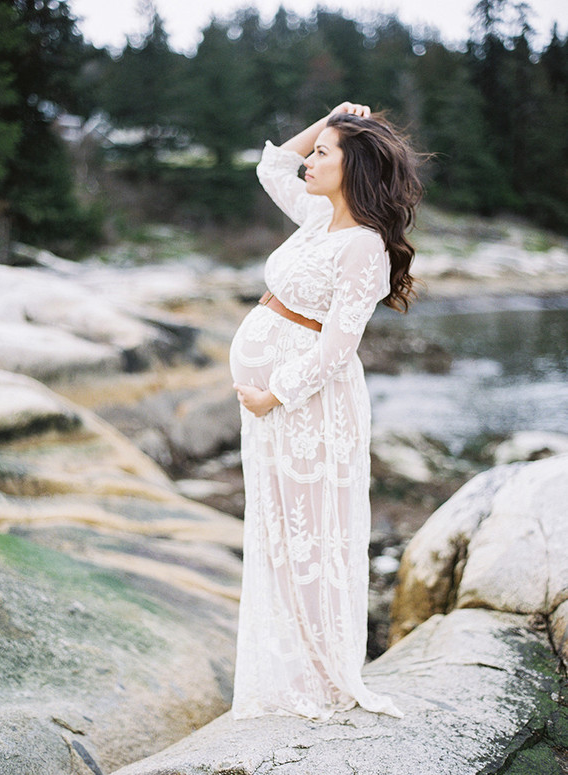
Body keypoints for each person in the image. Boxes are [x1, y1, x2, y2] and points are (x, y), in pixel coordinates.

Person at [230, 101, 423, 721]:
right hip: (278, 406)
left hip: (308, 404)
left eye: (325, 153)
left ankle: (318, 676)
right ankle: (291, 672)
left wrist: (273, 392)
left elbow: (340, 348)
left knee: (310, 538)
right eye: (315, 151)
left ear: (354, 169)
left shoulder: (363, 246)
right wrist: (330, 119)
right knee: (281, 534)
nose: (310, 159)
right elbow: (271, 166)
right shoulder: (318, 218)